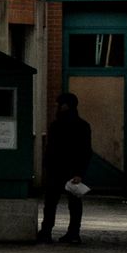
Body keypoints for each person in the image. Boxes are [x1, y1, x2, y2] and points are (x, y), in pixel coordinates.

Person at [36, 94, 97, 244]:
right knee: (74, 204)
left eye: (58, 104)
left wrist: (46, 167)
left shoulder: (55, 125)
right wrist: (80, 173)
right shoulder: (83, 126)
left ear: (64, 106)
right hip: (72, 171)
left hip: (56, 170)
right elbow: (86, 151)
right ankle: (73, 233)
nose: (56, 107)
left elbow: (50, 149)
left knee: (51, 203)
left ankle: (46, 232)